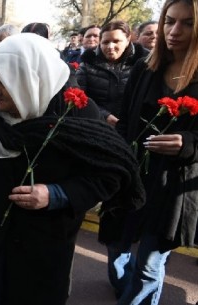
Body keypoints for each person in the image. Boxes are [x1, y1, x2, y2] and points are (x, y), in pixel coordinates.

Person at [0, 33, 145, 305]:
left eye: (2, 82)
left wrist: (56, 194)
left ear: (29, 79)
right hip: (1, 230)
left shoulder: (75, 111)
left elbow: (109, 175)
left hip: (49, 238)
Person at [113, 0, 198, 304]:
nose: (175, 31)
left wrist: (188, 143)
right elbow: (125, 122)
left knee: (149, 264)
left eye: (188, 23)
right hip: (134, 176)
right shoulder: (144, 67)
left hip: (174, 187)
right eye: (169, 21)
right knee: (117, 248)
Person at [77, 21, 149, 127]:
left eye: (116, 41)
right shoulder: (88, 63)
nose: (110, 46)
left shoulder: (144, 63)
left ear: (128, 40)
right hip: (98, 125)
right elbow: (80, 97)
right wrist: (104, 115)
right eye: (106, 42)